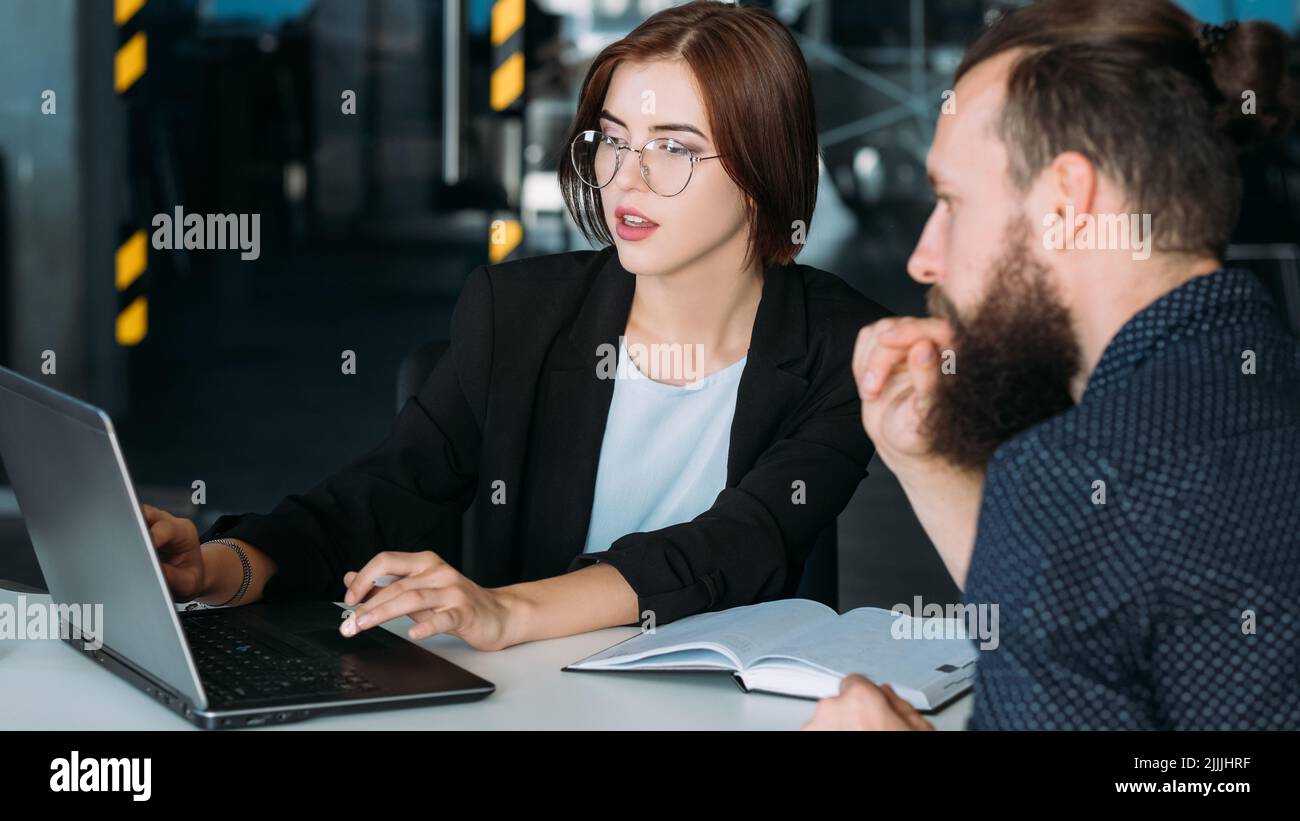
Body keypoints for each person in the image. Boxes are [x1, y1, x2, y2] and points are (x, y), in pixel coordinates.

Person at [144, 1, 888, 652]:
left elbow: (738, 542)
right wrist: (217, 563)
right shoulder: (520, 313)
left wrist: (506, 608)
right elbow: (380, 496)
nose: (627, 176)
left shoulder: (844, 347)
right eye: (614, 138)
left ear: (763, 173)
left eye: (672, 147)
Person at [807, 0, 1300, 730]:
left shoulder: (1074, 477)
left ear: (1068, 200)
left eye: (950, 201)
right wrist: (931, 468)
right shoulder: (1263, 383)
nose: (923, 257)